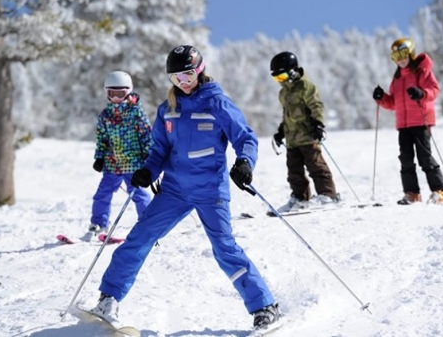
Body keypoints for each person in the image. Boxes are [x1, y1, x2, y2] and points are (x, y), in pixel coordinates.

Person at [91, 45, 280, 330]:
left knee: (224, 248)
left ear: (200, 70)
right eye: (176, 77)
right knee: (139, 237)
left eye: (188, 74)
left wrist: (244, 163)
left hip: (210, 189)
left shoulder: (217, 103)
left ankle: (264, 306)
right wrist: (147, 171)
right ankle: (109, 298)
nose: (183, 81)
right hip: (175, 189)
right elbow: (159, 151)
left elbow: (246, 138)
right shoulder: (168, 109)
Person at [372, 38, 443, 205]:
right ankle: (412, 193)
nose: (400, 59)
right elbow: (393, 103)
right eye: (396, 56)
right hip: (403, 125)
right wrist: (381, 98)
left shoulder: (423, 72)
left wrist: (421, 93)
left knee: (425, 158)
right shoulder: (397, 79)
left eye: (403, 54)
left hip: (421, 121)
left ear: (411, 54)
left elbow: (434, 91)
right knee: (405, 159)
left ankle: (440, 192)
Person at [270, 51, 339, 214]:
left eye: (282, 76)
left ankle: (328, 195)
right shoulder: (283, 93)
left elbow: (316, 106)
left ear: (292, 70)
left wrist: (318, 124)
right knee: (293, 171)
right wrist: (281, 131)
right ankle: (300, 198)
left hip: (307, 135)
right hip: (292, 139)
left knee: (316, 166)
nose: (280, 81)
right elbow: (286, 114)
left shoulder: (305, 86)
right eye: (277, 78)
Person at [89, 71, 153, 235]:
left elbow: (146, 134)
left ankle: (147, 225)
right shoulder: (105, 115)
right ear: (107, 93)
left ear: (129, 92)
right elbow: (102, 139)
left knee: (138, 195)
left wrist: (148, 153)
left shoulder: (135, 112)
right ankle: (99, 223)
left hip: (132, 164)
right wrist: (100, 158)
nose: (117, 98)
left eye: (121, 94)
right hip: (112, 164)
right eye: (113, 94)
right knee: (102, 194)